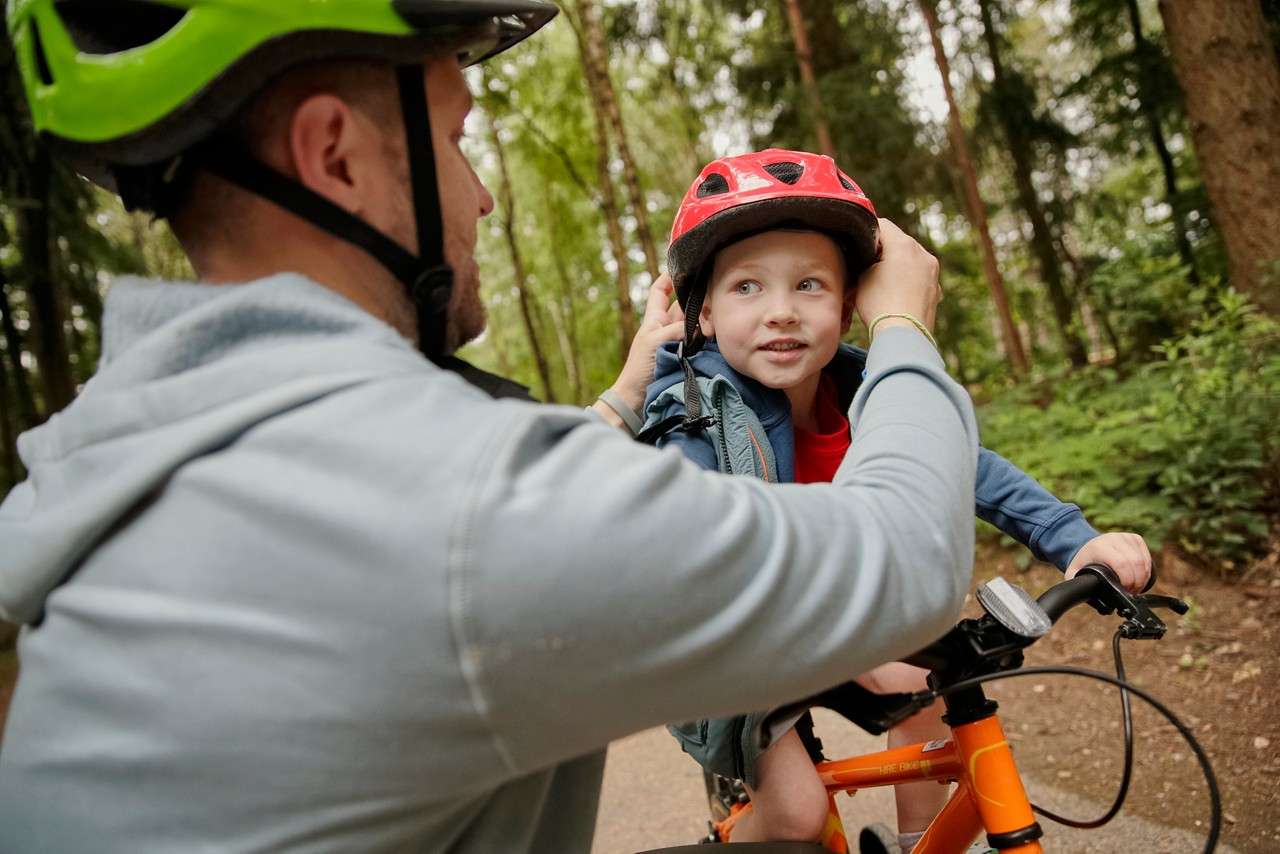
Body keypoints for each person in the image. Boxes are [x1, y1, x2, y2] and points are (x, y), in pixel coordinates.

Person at [1, 4, 978, 853]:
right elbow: (905, 553)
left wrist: (628, 387)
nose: (482, 194)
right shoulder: (444, 503)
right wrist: (897, 323)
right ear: (332, 153)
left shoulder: (128, 461)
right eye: (459, 137)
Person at [641, 150, 1153, 850]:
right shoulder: (692, 414)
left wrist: (1075, 539)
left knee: (925, 689)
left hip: (848, 619)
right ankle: (735, 837)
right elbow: (693, 542)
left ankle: (921, 842)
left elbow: (962, 463)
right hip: (734, 647)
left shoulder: (868, 389)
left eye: (811, 285)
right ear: (701, 311)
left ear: (852, 305)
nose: (782, 311)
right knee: (793, 814)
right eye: (748, 287)